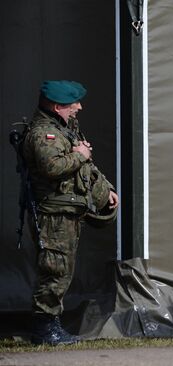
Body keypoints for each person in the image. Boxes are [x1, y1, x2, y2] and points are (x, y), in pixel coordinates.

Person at [22, 80, 119, 345]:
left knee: (62, 270)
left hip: (67, 211)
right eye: (73, 103)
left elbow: (85, 166)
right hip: (53, 214)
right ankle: (44, 330)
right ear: (56, 106)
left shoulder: (65, 129)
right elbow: (52, 168)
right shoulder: (44, 134)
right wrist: (80, 155)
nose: (79, 107)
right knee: (55, 269)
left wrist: (105, 189)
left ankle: (50, 326)